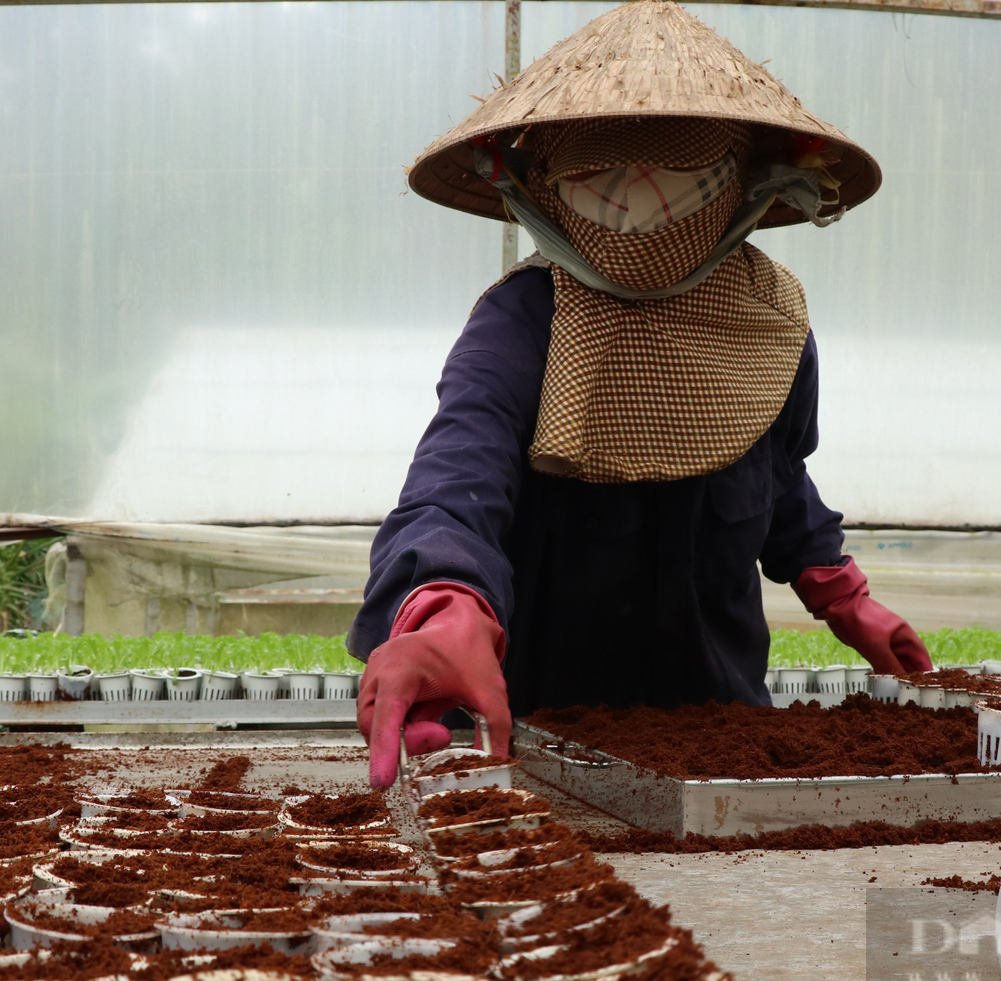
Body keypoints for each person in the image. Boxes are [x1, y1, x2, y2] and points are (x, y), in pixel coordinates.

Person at [350, 0, 931, 789]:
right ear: (545, 187)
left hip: (722, 733)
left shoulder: (769, 324)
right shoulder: (523, 323)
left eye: (682, 181)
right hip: (547, 740)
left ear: (743, 182)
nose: (640, 203)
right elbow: (458, 475)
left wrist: (838, 589)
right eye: (604, 184)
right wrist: (443, 600)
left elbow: (775, 467)